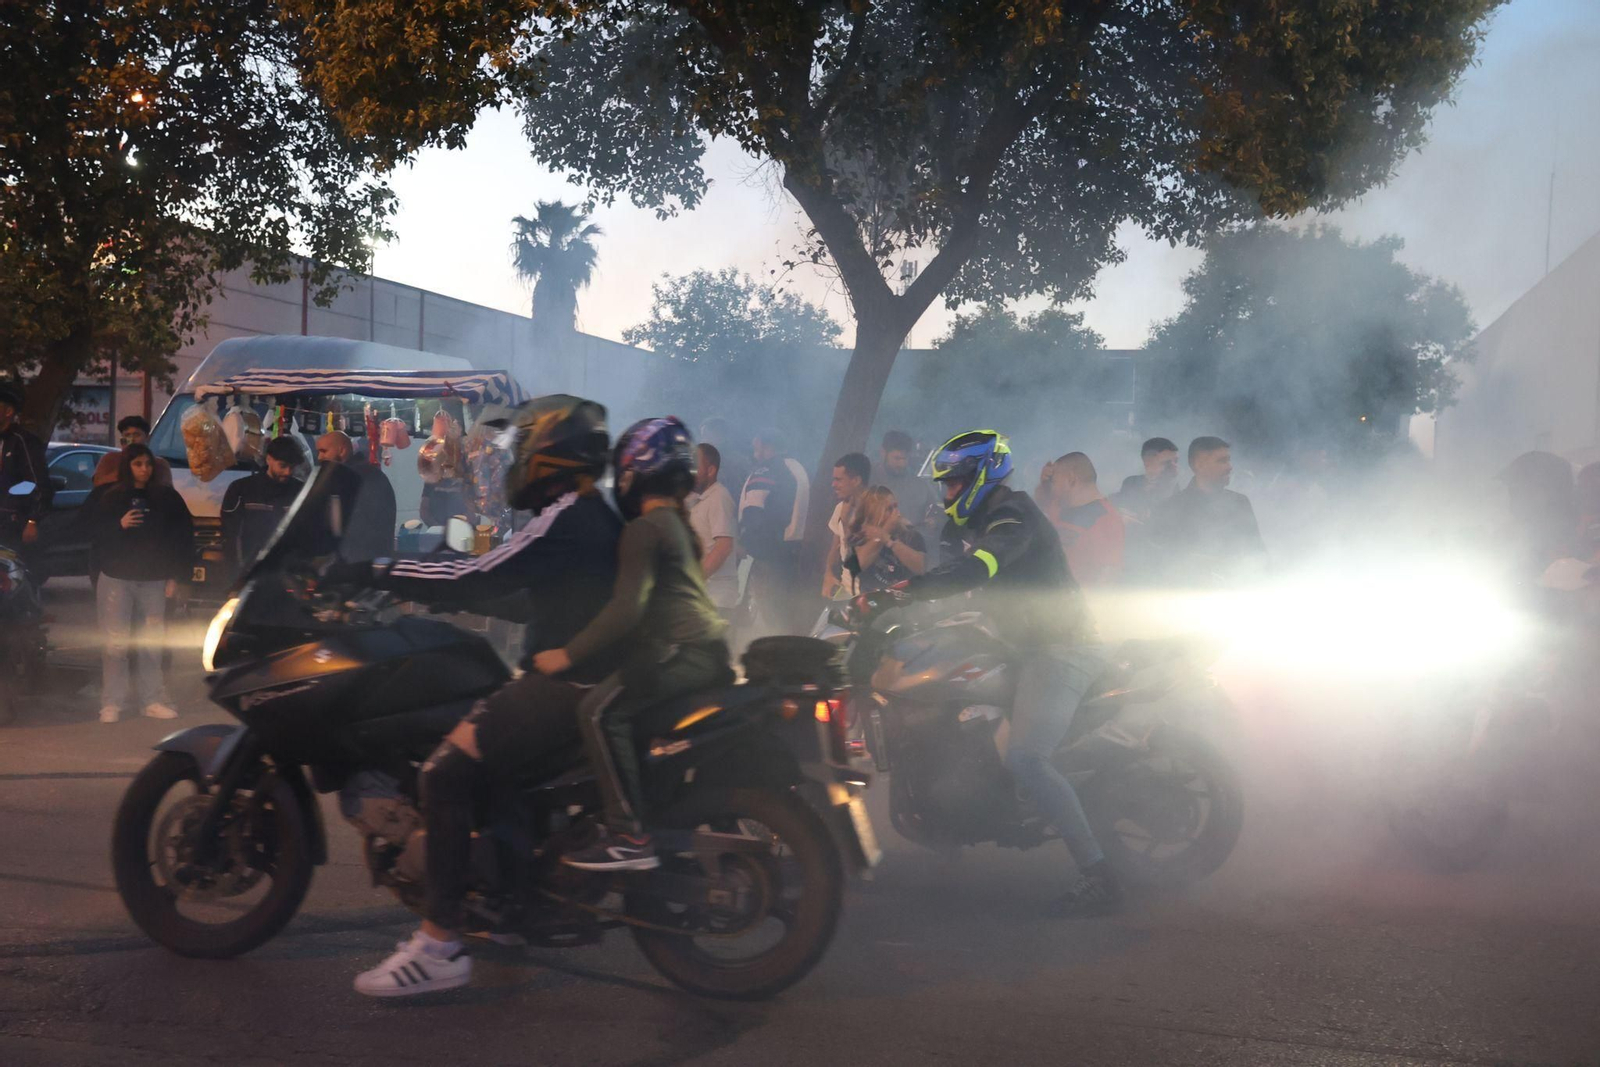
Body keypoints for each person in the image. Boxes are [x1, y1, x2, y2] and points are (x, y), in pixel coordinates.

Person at [350, 395, 623, 998]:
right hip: (593, 686)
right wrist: (454, 590)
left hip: (562, 690)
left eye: (525, 450)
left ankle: (439, 944)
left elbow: (475, 573)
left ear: (551, 458)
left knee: (445, 774)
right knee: (496, 766)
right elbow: (524, 595)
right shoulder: (596, 517)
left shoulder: (566, 518)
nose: (516, 461)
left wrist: (376, 569)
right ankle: (506, 910)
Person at [900, 429, 1119, 916]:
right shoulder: (977, 519)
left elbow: (980, 568)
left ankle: (1098, 875)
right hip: (1022, 645)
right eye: (945, 484)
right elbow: (949, 574)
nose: (947, 492)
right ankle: (956, 822)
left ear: (983, 475)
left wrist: (909, 591)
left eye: (955, 482)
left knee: (1026, 757)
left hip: (1064, 647)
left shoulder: (1012, 514)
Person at [531, 417, 733, 871]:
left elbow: (626, 609)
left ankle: (627, 834)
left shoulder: (646, 528)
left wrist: (568, 653)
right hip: (705, 652)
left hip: (684, 653)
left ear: (635, 474)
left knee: (598, 712)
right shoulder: (674, 524)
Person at [89, 444, 193, 723]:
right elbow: (92, 535)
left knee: (151, 643)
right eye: (137, 464)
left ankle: (151, 700)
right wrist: (118, 526)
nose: (144, 469)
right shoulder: (110, 497)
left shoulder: (167, 498)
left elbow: (182, 538)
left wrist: (178, 576)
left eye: (148, 464)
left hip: (154, 579)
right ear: (127, 466)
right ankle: (112, 703)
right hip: (116, 578)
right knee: (115, 644)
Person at [1148, 436, 1266, 586]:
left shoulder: (1240, 503)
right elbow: (1158, 564)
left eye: (1229, 460)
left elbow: (1257, 553)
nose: (1230, 467)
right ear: (1199, 465)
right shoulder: (1170, 508)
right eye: (1222, 461)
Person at [738, 431, 810, 633]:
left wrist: (745, 542)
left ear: (765, 446)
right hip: (789, 551)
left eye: (756, 448)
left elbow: (754, 510)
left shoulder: (768, 469)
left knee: (762, 610)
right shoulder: (798, 468)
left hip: (765, 553)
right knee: (780, 609)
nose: (755, 454)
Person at [219, 437, 305, 582]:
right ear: (269, 459)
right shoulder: (241, 490)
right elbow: (231, 536)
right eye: (282, 466)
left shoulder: (301, 491)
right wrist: (237, 573)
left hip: (288, 575)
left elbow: (305, 534)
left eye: (292, 467)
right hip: (249, 573)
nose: (288, 472)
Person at [1039, 452, 1125, 587]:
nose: (1052, 487)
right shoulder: (1059, 505)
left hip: (1074, 602)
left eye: (1054, 481)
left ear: (1072, 479)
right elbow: (1038, 506)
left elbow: (1108, 575)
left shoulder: (1106, 518)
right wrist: (1043, 483)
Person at [316, 430, 396, 559]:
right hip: (367, 559)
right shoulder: (367, 474)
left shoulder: (351, 478)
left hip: (357, 561)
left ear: (342, 451)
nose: (319, 457)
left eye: (324, 451)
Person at [687, 442, 739, 615]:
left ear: (711, 471)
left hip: (716, 600)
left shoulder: (719, 497)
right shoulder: (696, 498)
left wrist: (693, 581)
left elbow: (723, 547)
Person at [844, 485, 926, 592]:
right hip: (871, 602)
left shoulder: (910, 535)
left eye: (896, 507)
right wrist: (882, 535)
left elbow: (921, 567)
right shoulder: (859, 537)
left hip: (907, 602)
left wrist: (888, 539)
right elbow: (856, 567)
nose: (896, 513)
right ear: (874, 513)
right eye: (889, 509)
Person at [0, 385, 49, 549]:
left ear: (8, 411)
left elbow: (36, 481)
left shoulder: (23, 441)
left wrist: (32, 520)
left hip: (12, 522)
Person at [822, 452, 871, 601]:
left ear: (856, 480)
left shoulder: (875, 511)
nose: (833, 485)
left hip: (867, 595)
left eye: (839, 480)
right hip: (844, 591)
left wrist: (845, 521)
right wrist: (828, 574)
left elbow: (861, 561)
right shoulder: (841, 507)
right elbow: (835, 548)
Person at [880, 429, 939, 542]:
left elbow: (935, 511)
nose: (902, 464)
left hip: (911, 549)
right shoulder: (869, 480)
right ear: (883, 453)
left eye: (905, 458)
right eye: (897, 458)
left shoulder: (919, 486)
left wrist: (933, 521)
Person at [92, 415, 172, 488]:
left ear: (147, 437)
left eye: (136, 435)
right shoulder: (110, 459)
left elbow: (167, 490)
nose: (132, 439)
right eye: (127, 435)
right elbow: (98, 484)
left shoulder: (159, 463)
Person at [1111, 437, 1179, 523]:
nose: (1174, 467)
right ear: (1148, 462)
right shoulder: (1131, 483)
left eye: (1176, 461)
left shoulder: (1177, 491)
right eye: (1166, 463)